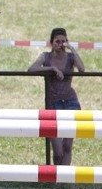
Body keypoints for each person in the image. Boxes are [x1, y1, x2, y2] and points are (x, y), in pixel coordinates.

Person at [28, 27, 85, 166]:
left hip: (70, 102)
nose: (60, 44)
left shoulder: (70, 57)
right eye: (57, 41)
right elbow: (31, 69)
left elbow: (82, 69)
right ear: (51, 42)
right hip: (53, 103)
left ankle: (64, 180)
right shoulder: (45, 57)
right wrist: (52, 69)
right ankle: (55, 176)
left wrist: (72, 49)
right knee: (58, 151)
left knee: (67, 146)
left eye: (63, 42)